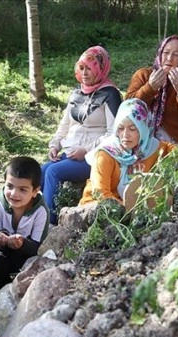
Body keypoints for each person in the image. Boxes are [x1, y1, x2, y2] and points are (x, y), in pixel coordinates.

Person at [41, 45, 122, 225]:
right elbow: (64, 125)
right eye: (82, 68)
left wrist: (85, 150)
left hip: (94, 156)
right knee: (41, 170)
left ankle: (50, 225)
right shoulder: (76, 93)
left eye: (90, 68)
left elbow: (114, 133)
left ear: (101, 69)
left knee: (52, 172)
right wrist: (54, 144)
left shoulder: (110, 94)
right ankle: (31, 218)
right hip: (69, 152)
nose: (84, 73)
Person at [79, 98, 176, 206]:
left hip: (136, 211)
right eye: (120, 128)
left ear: (144, 129)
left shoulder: (152, 148)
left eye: (132, 129)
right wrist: (128, 209)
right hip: (99, 209)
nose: (125, 135)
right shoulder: (105, 155)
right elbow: (100, 193)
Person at [0, 156, 50, 290]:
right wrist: (1, 239)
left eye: (23, 189)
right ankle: (4, 291)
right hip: (3, 253)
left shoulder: (41, 210)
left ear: (35, 191)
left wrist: (22, 243)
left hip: (27, 255)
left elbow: (37, 246)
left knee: (40, 266)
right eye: (9, 186)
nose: (14, 194)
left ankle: (25, 291)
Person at [125, 35, 178, 146]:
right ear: (159, 53)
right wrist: (150, 88)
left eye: (176, 54)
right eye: (166, 52)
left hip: (175, 145)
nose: (170, 58)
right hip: (141, 142)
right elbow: (127, 108)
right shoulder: (144, 75)